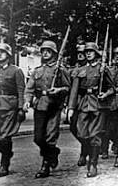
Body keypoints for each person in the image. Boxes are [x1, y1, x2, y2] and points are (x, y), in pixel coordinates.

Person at [23, 40, 70, 178]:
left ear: (54, 54)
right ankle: (53, 153)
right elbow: (29, 88)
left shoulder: (61, 70)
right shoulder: (37, 70)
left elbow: (68, 88)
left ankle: (45, 166)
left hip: (54, 106)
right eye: (43, 51)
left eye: (48, 51)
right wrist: (27, 101)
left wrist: (58, 90)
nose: (45, 53)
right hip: (40, 105)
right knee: (38, 138)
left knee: (50, 137)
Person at [68, 42, 114, 178]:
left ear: (96, 54)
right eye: (86, 51)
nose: (88, 53)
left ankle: (93, 164)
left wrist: (105, 94)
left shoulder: (103, 69)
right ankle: (86, 151)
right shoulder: (79, 70)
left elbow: (112, 88)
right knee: (81, 133)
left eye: (91, 51)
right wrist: (71, 108)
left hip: (98, 105)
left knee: (95, 135)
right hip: (83, 104)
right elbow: (74, 91)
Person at [0, 43, 26, 177]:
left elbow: (21, 90)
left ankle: (4, 164)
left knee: (4, 137)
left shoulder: (16, 71)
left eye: (2, 52)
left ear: (8, 56)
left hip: (10, 107)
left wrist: (21, 108)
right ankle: (7, 153)